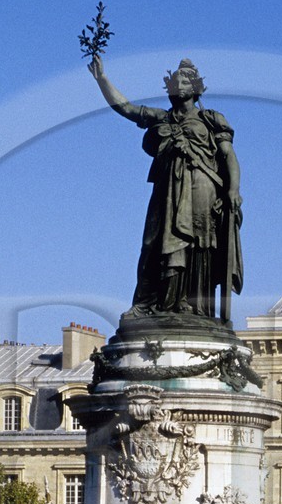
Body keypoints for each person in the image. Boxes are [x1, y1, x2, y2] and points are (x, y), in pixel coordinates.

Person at [89, 55, 243, 320]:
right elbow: (126, 108)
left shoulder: (210, 119)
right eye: (176, 81)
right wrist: (102, 79)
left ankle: (191, 306)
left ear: (196, 88)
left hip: (201, 187)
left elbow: (228, 155)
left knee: (197, 246)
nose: (179, 84)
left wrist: (233, 190)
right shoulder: (161, 118)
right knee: (154, 241)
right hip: (167, 188)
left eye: (185, 81)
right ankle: (150, 302)